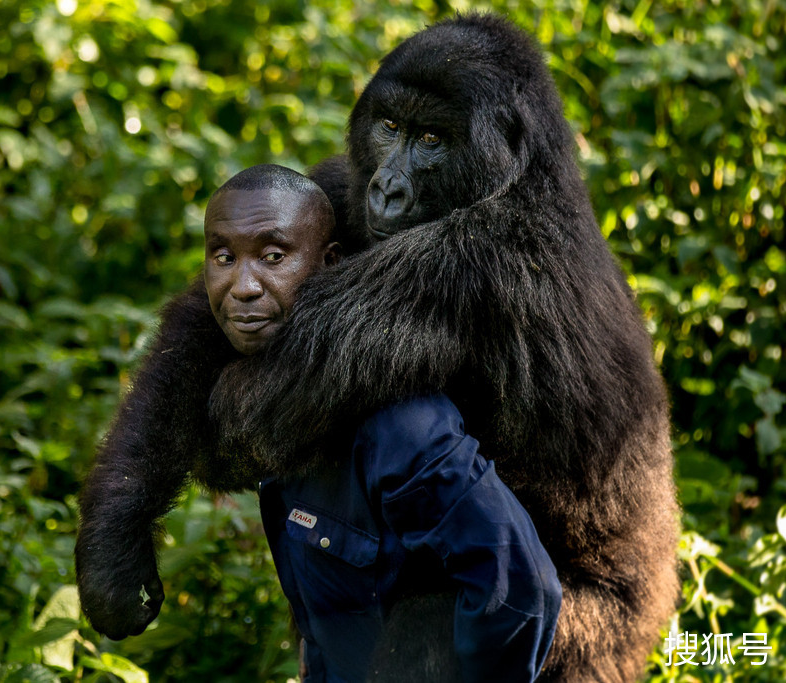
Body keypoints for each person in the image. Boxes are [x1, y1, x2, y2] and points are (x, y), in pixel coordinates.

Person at [204, 164, 561, 682]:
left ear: (330, 266)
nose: (243, 286)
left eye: (273, 257)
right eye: (223, 258)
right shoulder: (272, 400)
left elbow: (520, 589)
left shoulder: (399, 424)